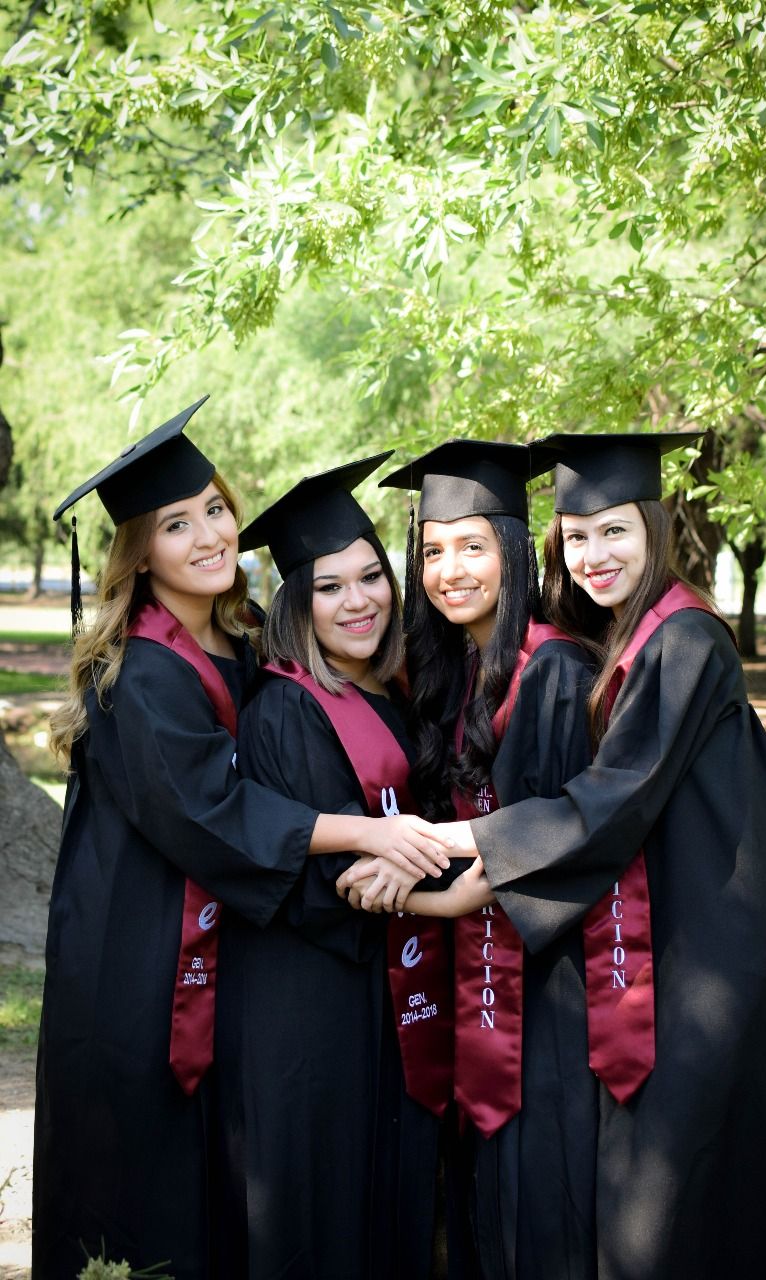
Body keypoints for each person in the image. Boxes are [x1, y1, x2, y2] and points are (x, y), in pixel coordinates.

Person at [360, 430, 766, 1279]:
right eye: (576, 536)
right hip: (681, 930)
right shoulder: (625, 638)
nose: (593, 555)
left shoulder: (683, 639)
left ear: (654, 527)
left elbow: (615, 793)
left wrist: (453, 849)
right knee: (667, 1178)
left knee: (699, 1168)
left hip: (721, 945)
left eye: (613, 531)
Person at [35, 400, 450, 1280]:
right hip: (138, 946)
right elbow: (212, 810)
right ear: (139, 553)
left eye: (215, 509)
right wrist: (371, 833)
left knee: (215, 1174)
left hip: (219, 934)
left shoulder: (241, 636)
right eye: (175, 524)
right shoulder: (139, 671)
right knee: (145, 1168)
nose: (209, 536)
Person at [217, 453, 471, 1280]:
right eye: (328, 587)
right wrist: (438, 890)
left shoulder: (392, 692)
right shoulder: (285, 709)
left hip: (383, 992)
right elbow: (311, 880)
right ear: (296, 603)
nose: (358, 601)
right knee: (325, 1202)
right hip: (311, 1004)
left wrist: (409, 869)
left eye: (370, 578)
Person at [352, 440, 595, 1273]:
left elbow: (564, 834)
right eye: (430, 551)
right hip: (468, 971)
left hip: (546, 980)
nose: (448, 571)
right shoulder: (444, 670)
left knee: (535, 1184)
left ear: (514, 553)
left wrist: (428, 895)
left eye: (471, 547)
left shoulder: (552, 668)